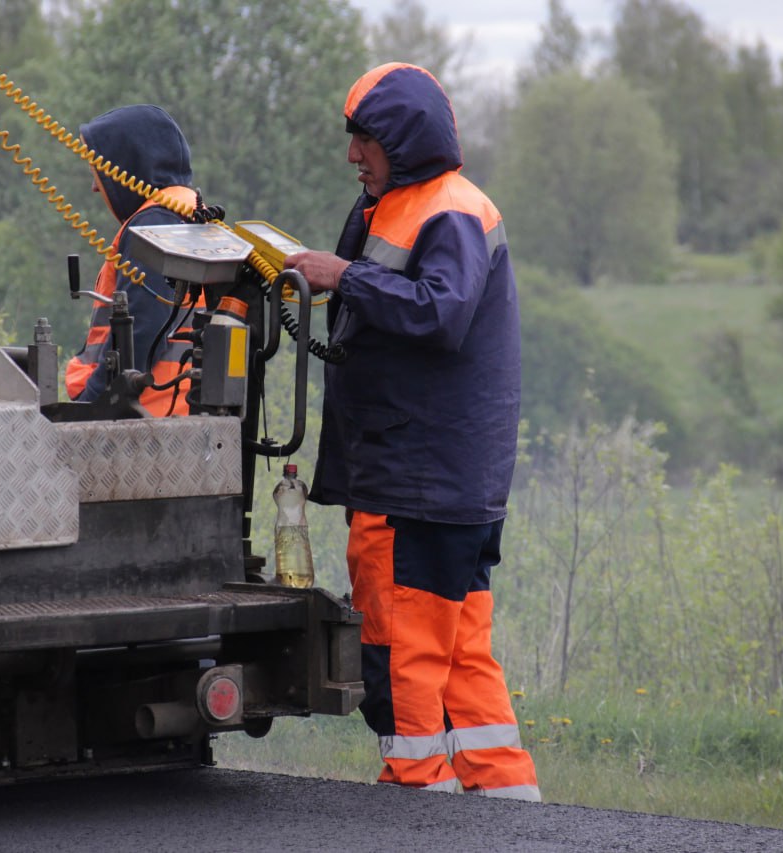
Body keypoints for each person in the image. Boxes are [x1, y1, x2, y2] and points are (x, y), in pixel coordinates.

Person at [283, 63, 540, 800]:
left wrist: (342, 276)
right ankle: (506, 804)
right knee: (460, 659)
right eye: (351, 138)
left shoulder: (447, 210)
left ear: (403, 138)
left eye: (365, 139)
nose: (353, 154)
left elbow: (441, 311)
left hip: (420, 487)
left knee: (405, 657)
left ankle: (413, 802)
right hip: (438, 483)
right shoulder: (396, 203)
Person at [64, 104, 201, 416]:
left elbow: (141, 328)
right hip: (177, 413)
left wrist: (93, 404)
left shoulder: (153, 225)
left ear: (126, 167)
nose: (95, 186)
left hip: (144, 415)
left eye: (100, 173)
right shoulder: (191, 214)